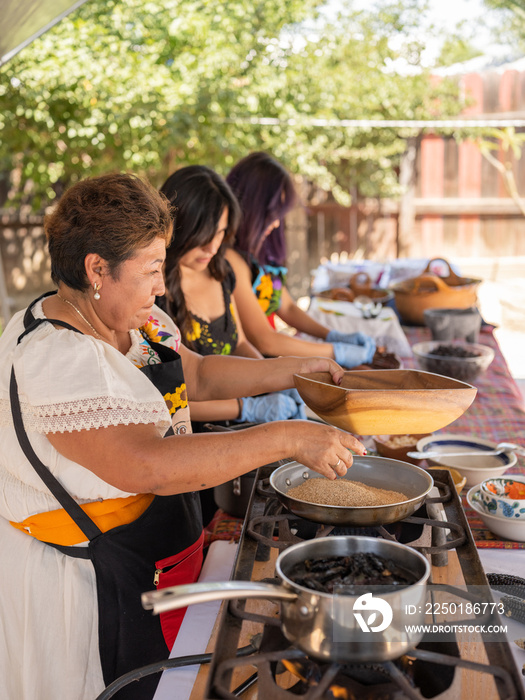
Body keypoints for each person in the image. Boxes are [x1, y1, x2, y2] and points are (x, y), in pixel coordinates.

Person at [0, 172, 366, 700]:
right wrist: (288, 436)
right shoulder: (58, 358)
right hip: (84, 587)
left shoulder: (133, 322)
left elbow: (195, 374)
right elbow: (146, 464)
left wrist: (299, 369)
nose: (160, 284)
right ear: (96, 268)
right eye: (151, 269)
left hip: (148, 557)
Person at [159, 164, 305, 427]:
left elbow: (239, 343)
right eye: (204, 235)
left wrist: (274, 381)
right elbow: (168, 400)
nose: (213, 247)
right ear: (176, 227)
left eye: (220, 233)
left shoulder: (221, 271)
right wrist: (244, 407)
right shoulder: (153, 291)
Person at [225, 151, 376, 367]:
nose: (277, 224)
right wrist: (335, 351)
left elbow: (286, 307)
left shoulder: (260, 252)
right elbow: (264, 340)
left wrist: (332, 336)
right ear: (250, 208)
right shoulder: (229, 258)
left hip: (262, 363)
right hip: (243, 366)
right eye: (272, 215)